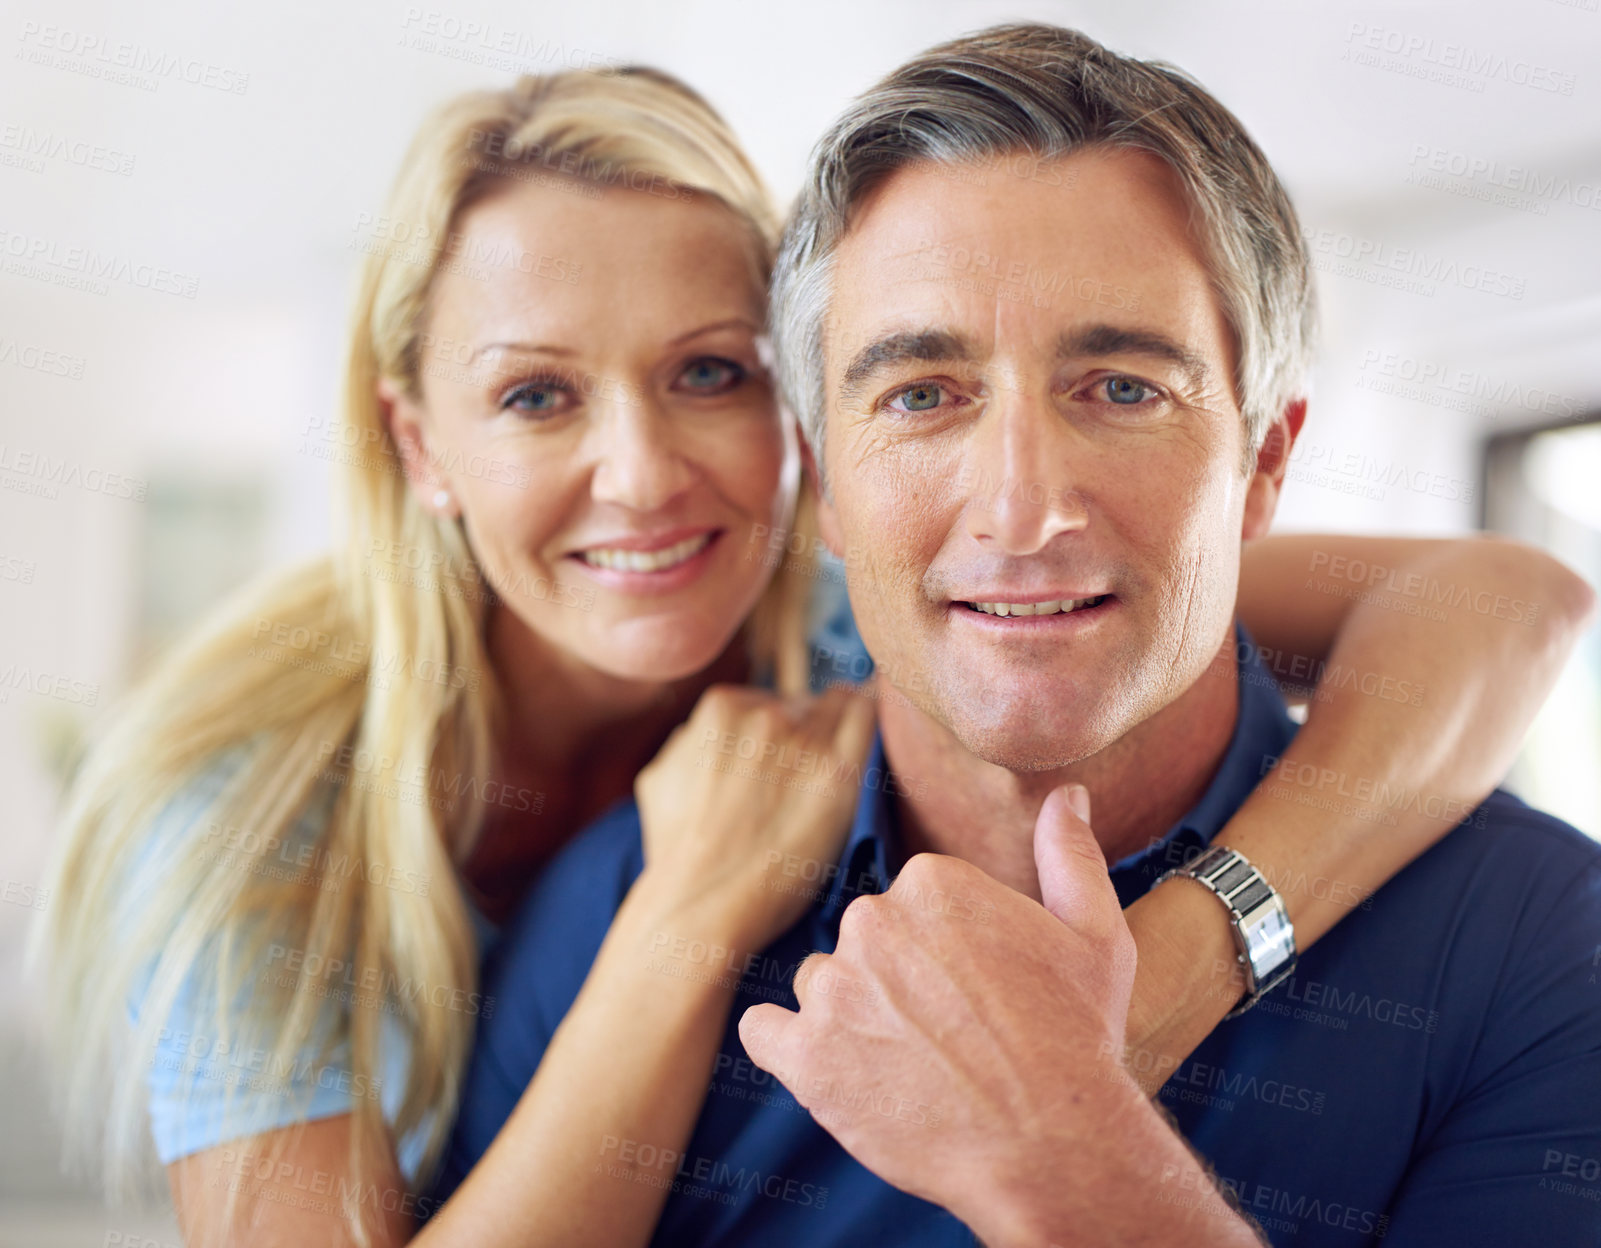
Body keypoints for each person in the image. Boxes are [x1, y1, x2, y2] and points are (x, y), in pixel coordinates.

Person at [38, 61, 1589, 1248]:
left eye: (706, 372)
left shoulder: (897, 610)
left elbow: (1500, 602)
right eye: (533, 396)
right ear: (415, 442)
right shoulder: (269, 826)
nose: (643, 476)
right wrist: (687, 914)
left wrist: (1163, 987)